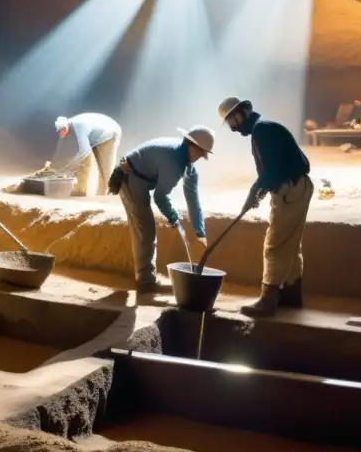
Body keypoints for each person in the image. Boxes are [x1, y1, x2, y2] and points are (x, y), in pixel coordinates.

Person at [217, 97, 313, 317]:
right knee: (291, 245)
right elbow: (273, 169)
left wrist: (253, 193)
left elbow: (272, 171)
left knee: (275, 245)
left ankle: (268, 300)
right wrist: (260, 191)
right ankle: (291, 295)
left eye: (231, 122)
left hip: (291, 189)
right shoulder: (266, 128)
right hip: (298, 186)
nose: (232, 129)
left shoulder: (262, 131)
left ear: (239, 115)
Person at [108, 127, 212, 293]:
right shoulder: (173, 161)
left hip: (139, 177)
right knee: (145, 232)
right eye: (201, 154)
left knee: (145, 230)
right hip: (130, 177)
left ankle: (145, 278)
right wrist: (172, 217)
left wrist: (200, 232)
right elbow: (160, 197)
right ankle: (145, 281)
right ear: (192, 148)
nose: (201, 157)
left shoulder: (187, 165)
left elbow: (193, 200)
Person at [55, 113, 122, 196]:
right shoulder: (65, 129)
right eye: (59, 131)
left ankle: (111, 194)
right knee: (83, 163)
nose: (62, 133)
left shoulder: (78, 127)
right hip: (94, 136)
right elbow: (61, 149)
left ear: (66, 126)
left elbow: (84, 151)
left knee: (105, 169)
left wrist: (71, 164)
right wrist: (54, 166)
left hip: (110, 133)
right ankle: (81, 190)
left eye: (63, 130)